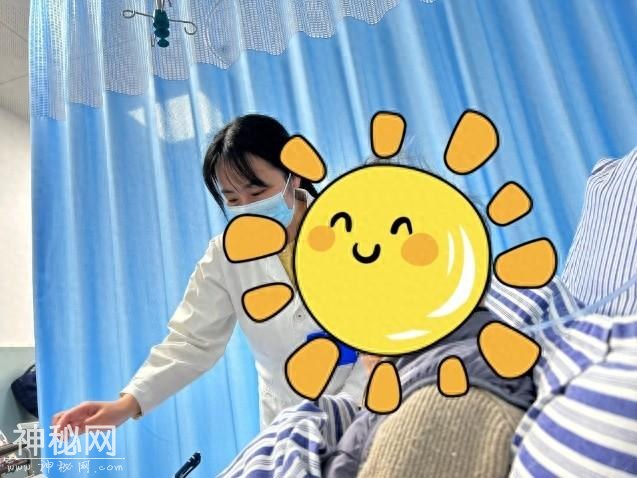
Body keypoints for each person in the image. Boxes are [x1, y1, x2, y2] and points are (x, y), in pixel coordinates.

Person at [51, 114, 368, 436]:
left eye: (257, 192)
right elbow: (191, 341)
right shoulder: (226, 255)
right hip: (288, 422)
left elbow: (387, 324)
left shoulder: (355, 229)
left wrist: (348, 403)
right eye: (233, 199)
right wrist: (125, 405)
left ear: (294, 175)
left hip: (368, 403)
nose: (246, 206)